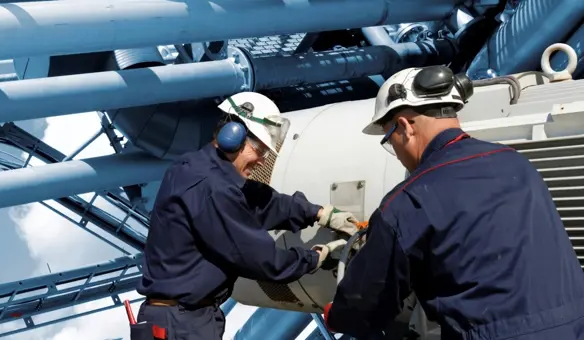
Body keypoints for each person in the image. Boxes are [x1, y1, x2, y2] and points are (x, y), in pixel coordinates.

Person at [325, 65, 584, 339]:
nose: (397, 152)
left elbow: (367, 304)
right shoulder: (517, 163)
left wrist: (338, 315)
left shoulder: (408, 202)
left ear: (404, 127)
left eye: (389, 140)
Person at [134, 91, 358, 340]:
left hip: (175, 320)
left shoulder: (195, 169)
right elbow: (264, 261)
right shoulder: (213, 188)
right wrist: (317, 257)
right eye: (259, 150)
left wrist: (318, 212)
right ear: (233, 136)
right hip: (182, 323)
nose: (262, 161)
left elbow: (263, 202)